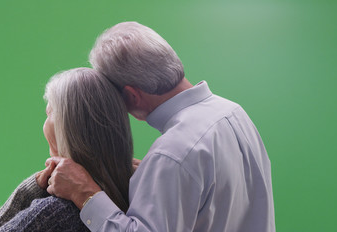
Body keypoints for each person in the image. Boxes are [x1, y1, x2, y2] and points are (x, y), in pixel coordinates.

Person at [44, 22, 276, 231]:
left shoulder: (172, 154)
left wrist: (85, 194)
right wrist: (156, 176)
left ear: (131, 96)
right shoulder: (233, 112)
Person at [0, 67, 134, 232]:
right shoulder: (138, 196)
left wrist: (28, 191)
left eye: (49, 113)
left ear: (67, 129)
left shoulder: (53, 214)